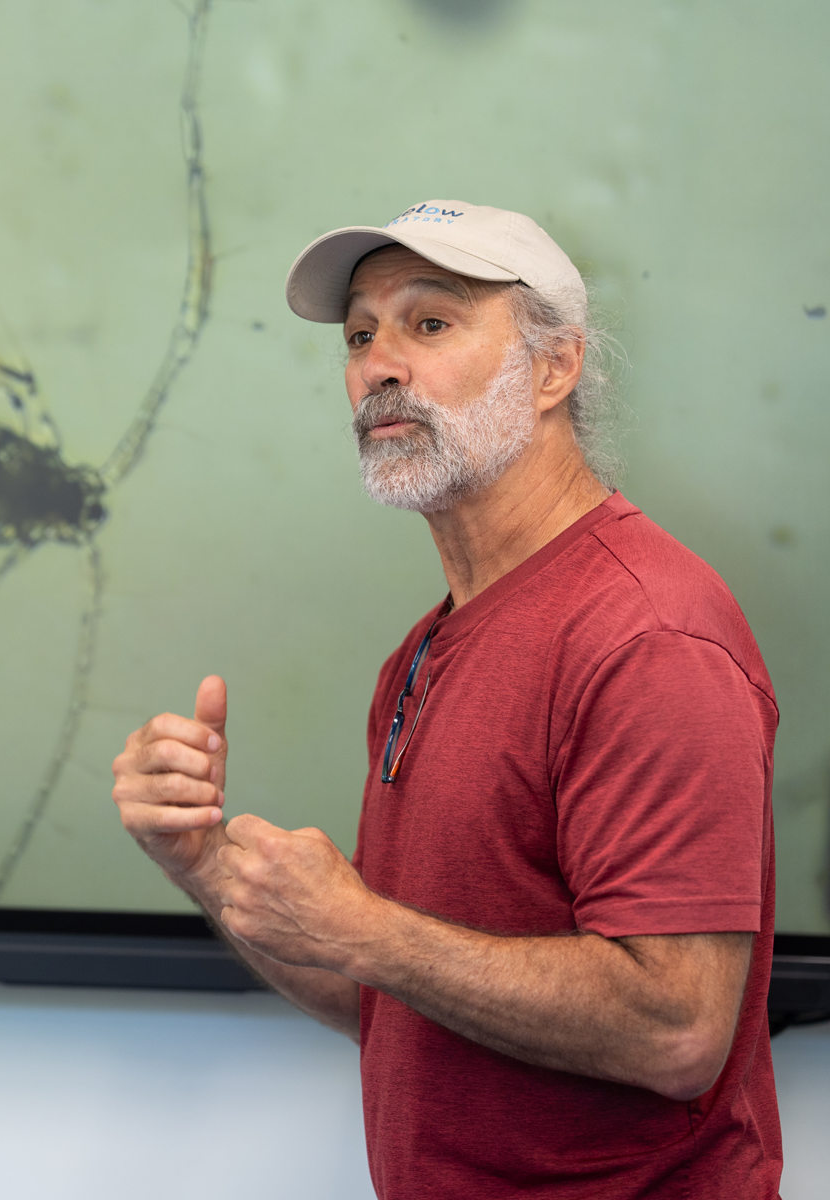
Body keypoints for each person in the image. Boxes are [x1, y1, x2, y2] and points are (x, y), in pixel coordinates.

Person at [111, 200, 781, 1199]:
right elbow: (392, 996)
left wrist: (368, 929)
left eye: (430, 323)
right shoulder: (419, 657)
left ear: (554, 369)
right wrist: (204, 865)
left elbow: (676, 1030)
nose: (379, 366)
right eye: (359, 337)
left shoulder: (647, 634)